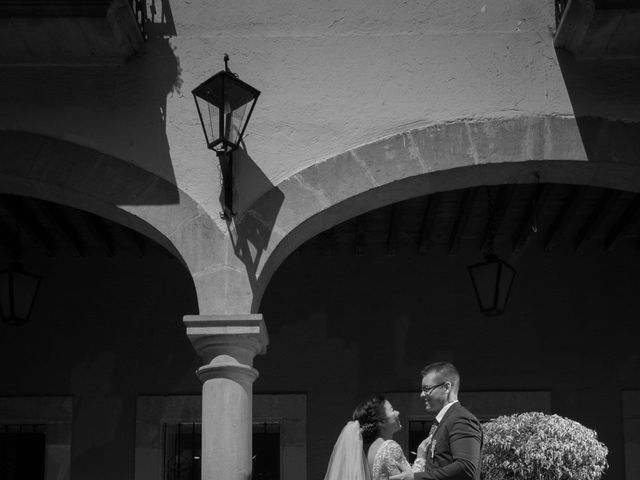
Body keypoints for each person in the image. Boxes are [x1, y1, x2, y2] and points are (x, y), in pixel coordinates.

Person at [390, 362, 483, 480]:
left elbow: (466, 467)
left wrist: (415, 477)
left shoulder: (461, 418)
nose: (422, 395)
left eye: (427, 389)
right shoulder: (445, 420)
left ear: (447, 387)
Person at [323, 394, 415, 480]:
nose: (397, 413)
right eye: (392, 410)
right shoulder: (389, 447)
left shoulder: (372, 449)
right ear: (381, 422)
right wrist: (420, 459)